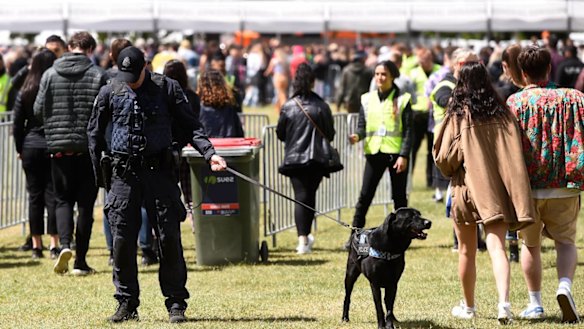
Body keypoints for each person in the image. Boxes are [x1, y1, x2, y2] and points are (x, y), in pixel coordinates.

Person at [87, 46, 227, 323]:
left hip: (159, 174)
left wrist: (210, 154)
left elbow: (191, 127)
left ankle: (176, 303)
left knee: (168, 238)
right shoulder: (110, 90)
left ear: (145, 68)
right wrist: (101, 176)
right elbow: (94, 132)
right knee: (123, 242)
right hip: (124, 176)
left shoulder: (167, 89)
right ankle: (126, 303)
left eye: (134, 74)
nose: (129, 79)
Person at [433, 61, 535, 324]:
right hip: (497, 191)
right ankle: (504, 304)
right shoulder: (503, 113)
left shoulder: (457, 116)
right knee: (497, 247)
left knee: (466, 250)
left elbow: (444, 159)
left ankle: (469, 307)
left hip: (466, 190)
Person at [508, 45, 584, 323]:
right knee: (565, 241)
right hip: (564, 183)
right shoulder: (574, 98)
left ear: (523, 72)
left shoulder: (514, 103)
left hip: (527, 188)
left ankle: (534, 302)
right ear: (550, 68)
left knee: (530, 245)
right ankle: (564, 285)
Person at [34, 31, 107, 276]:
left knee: (62, 200)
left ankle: (64, 245)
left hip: (59, 147)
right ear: (91, 49)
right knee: (86, 205)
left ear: (69, 47)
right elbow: (107, 110)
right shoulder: (99, 74)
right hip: (88, 148)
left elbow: (38, 109)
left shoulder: (50, 74)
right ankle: (81, 260)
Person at [102, 38, 157, 267]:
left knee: (111, 204)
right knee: (138, 203)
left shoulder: (105, 79)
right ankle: (145, 248)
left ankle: (114, 250)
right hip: (130, 149)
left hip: (113, 148)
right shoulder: (144, 80)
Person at [277, 63, 335, 254]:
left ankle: (303, 238)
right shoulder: (322, 106)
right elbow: (330, 133)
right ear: (312, 82)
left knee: (301, 197)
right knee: (309, 197)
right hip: (317, 160)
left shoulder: (289, 106)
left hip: (295, 159)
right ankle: (305, 237)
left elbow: (280, 133)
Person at [349, 60, 413, 232]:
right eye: (377, 74)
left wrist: (404, 155)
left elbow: (408, 131)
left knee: (399, 198)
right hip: (374, 153)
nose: (380, 77)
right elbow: (362, 126)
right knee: (365, 195)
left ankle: (402, 234)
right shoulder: (367, 99)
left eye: (384, 74)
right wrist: (357, 136)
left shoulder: (402, 100)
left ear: (392, 76)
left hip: (396, 155)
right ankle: (355, 233)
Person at [12, 49, 59, 259]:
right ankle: (54, 243)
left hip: (30, 146)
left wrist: (19, 148)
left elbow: (16, 123)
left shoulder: (26, 89)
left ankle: (36, 244)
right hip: (51, 145)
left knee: (34, 197)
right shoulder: (54, 88)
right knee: (53, 196)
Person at [163, 59, 201, 218]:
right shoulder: (192, 96)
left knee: (167, 192)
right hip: (188, 148)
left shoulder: (162, 96)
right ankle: (195, 223)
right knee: (190, 194)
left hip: (168, 148)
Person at [409, 48, 441, 188]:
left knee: (432, 150)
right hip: (418, 114)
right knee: (413, 148)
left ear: (431, 59)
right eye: (421, 60)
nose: (423, 63)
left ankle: (431, 180)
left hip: (433, 114)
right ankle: (408, 179)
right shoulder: (413, 73)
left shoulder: (440, 71)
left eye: (426, 60)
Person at [197, 69, 244, 138]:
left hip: (207, 147)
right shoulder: (230, 107)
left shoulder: (198, 108)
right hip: (229, 146)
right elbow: (239, 133)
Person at [264, 47, 289, 113]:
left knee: (279, 93)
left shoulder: (274, 60)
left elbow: (269, 70)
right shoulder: (285, 60)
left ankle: (283, 106)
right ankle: (279, 107)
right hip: (285, 77)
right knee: (283, 92)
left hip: (277, 77)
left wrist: (266, 73)